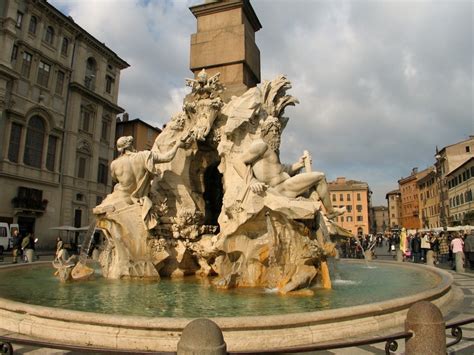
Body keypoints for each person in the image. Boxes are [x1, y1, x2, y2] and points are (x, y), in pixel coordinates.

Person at [234, 117, 345, 219]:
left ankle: (324, 210)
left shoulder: (273, 149)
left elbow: (280, 170)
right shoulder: (261, 146)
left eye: (277, 131)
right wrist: (252, 181)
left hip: (286, 184)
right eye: (272, 130)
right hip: (280, 188)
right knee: (320, 177)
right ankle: (330, 211)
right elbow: (237, 162)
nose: (275, 134)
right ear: (265, 132)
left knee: (315, 185)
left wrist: (299, 164)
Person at [94, 135, 188, 229]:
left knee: (116, 188)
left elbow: (115, 179)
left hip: (122, 197)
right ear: (131, 145)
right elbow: (167, 157)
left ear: (120, 149)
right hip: (139, 198)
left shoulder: (114, 164)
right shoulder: (144, 156)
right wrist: (177, 145)